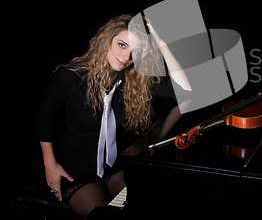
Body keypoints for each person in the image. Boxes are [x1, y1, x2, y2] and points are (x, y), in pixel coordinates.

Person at [36, 14, 191, 218]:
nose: (126, 57)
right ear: (106, 40)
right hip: (79, 170)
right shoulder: (72, 76)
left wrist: (160, 43)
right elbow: (43, 118)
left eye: (135, 51)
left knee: (150, 208)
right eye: (121, 44)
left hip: (115, 166)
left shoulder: (133, 82)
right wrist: (50, 165)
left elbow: (186, 93)